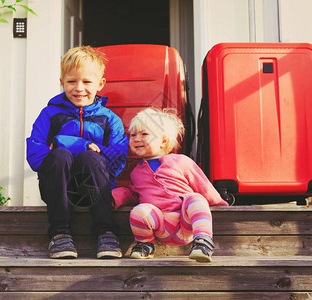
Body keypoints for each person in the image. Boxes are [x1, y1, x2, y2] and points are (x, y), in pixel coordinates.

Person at [26, 46, 129, 259]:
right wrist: (78, 144)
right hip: (57, 190)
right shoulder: (49, 115)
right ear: (62, 82)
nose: (79, 88)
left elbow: (118, 161)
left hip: (95, 191)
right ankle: (60, 232)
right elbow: (36, 156)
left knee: (90, 157)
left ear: (100, 84)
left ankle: (105, 231)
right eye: (72, 81)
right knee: (60, 155)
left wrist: (93, 151)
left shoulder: (110, 119)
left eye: (87, 82)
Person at [112, 108, 229, 262]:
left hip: (185, 224)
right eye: (133, 135)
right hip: (161, 226)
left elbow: (203, 185)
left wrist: (220, 203)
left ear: (164, 141)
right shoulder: (136, 172)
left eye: (144, 134)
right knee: (140, 210)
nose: (136, 139)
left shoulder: (180, 161)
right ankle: (145, 244)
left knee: (195, 198)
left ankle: (203, 241)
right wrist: (115, 197)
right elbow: (134, 193)